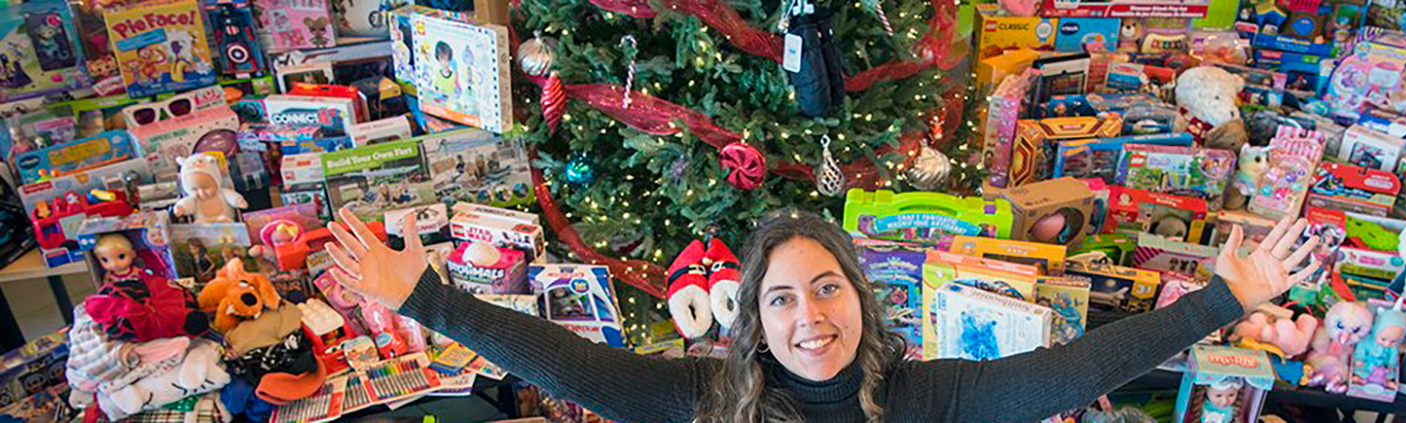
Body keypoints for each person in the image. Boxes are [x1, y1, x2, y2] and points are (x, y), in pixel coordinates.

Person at [325, 207, 1319, 422]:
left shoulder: (927, 393)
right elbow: (570, 368)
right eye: (783, 297)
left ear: (858, 296)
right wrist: (424, 298)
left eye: (828, 286)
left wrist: (1226, 298)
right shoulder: (706, 392)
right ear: (754, 317)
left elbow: (1067, 375)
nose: (810, 316)